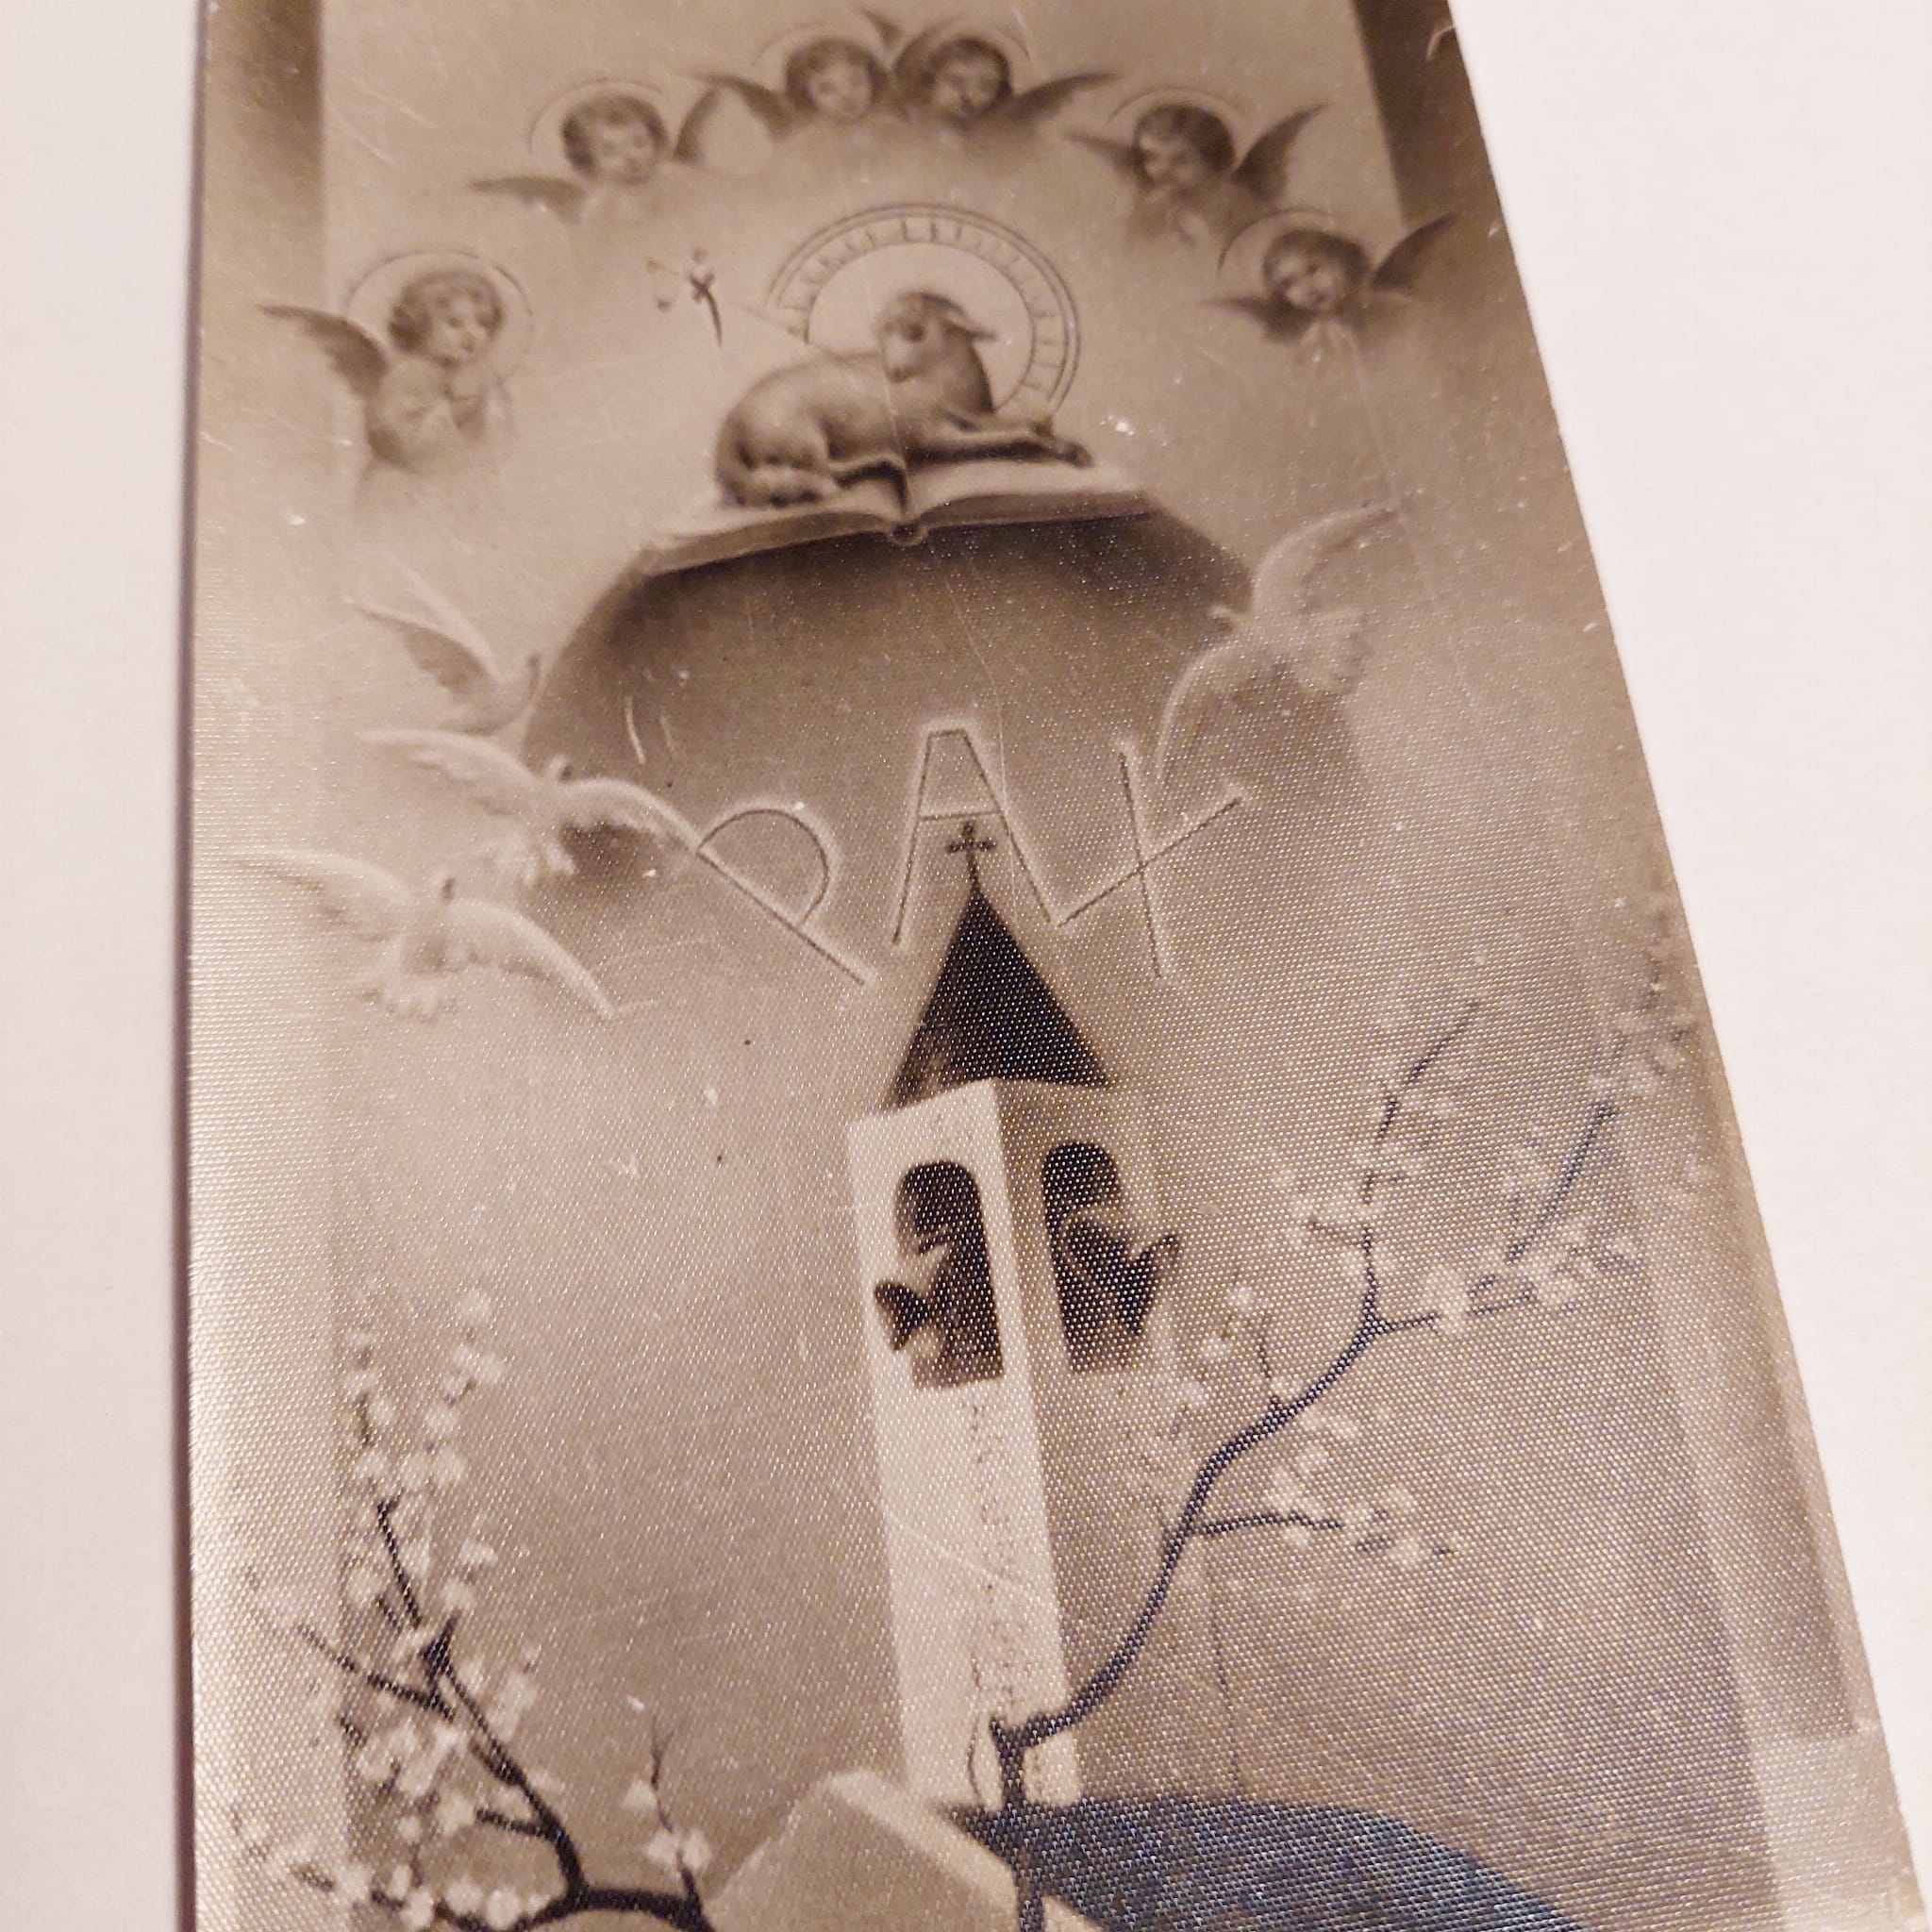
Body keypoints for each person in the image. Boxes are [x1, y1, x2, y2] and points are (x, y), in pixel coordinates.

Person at [365, 270, 508, 475]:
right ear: (420, 327)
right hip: (406, 479)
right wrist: (455, 413)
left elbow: (495, 440)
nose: (471, 334)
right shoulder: (409, 374)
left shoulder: (476, 376)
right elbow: (391, 435)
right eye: (454, 323)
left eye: (482, 323)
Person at [559, 90, 668, 187]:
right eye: (611, 152)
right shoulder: (603, 200)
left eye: (639, 143)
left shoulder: (671, 180)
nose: (631, 156)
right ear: (588, 160)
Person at [784, 36, 888, 125]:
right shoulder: (807, 139)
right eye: (827, 89)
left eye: (855, 82)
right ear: (806, 95)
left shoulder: (888, 129)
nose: (846, 95)